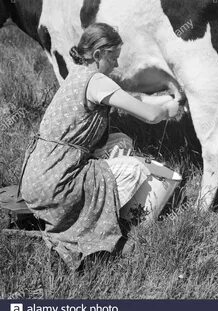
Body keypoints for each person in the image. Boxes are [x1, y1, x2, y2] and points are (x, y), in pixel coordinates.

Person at [19, 23, 180, 270]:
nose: (116, 65)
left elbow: (133, 99)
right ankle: (110, 225)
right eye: (113, 58)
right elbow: (149, 115)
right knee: (134, 169)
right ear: (97, 55)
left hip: (37, 174)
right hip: (56, 184)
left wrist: (158, 99)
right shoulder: (97, 82)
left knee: (122, 142)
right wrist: (169, 108)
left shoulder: (76, 75)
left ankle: (99, 201)